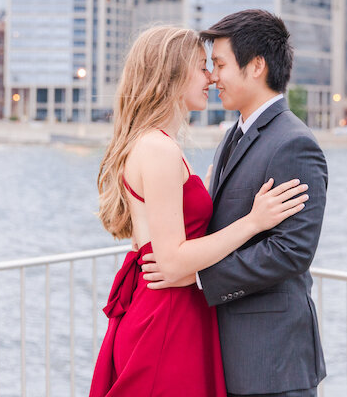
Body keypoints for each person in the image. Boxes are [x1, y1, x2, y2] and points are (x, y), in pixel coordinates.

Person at [90, 25, 310, 397]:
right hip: (168, 314)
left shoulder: (157, 145)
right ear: (172, 75)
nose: (210, 77)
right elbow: (173, 261)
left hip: (172, 309)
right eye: (200, 66)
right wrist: (253, 221)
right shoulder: (157, 149)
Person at [143, 10, 328, 397]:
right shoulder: (234, 135)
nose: (212, 76)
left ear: (256, 65)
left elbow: (290, 252)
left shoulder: (294, 143)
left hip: (271, 360)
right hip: (228, 351)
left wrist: (195, 277)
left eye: (220, 64)